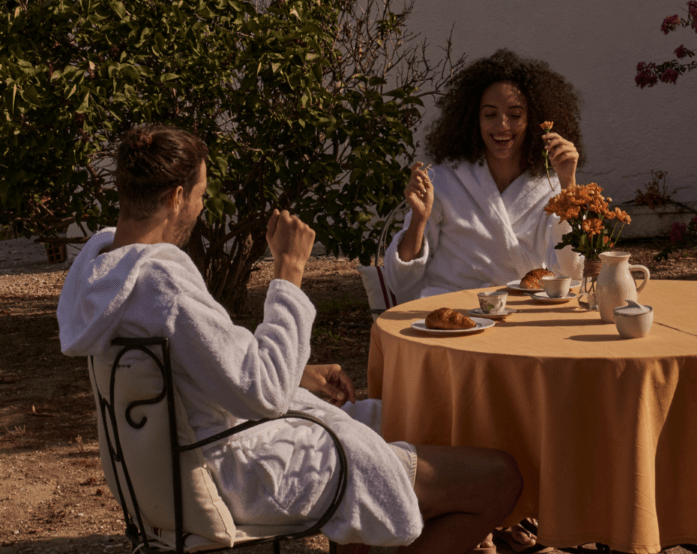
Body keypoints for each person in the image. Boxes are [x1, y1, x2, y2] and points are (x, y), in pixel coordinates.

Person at [56, 125, 522, 554]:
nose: (201, 205)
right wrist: (289, 273)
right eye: (201, 193)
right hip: (244, 474)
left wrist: (296, 372)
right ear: (177, 197)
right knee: (500, 479)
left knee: (399, 418)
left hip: (182, 468)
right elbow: (263, 393)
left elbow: (199, 369)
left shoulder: (105, 278)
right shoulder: (161, 285)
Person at [384, 49, 586, 303]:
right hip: (453, 309)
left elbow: (573, 273)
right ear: (473, 120)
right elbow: (399, 281)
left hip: (521, 312)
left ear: (532, 120)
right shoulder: (444, 181)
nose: (502, 125)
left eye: (515, 115)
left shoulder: (550, 185)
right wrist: (418, 220)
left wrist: (568, 183)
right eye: (490, 114)